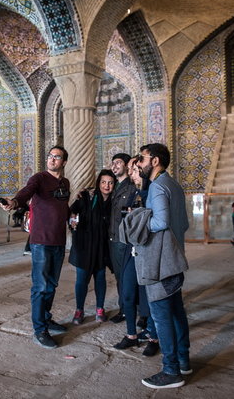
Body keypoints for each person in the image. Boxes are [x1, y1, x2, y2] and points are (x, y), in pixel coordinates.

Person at [2, 146, 70, 349]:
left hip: (58, 241)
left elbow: (62, 207)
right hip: (41, 241)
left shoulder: (65, 183)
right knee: (40, 287)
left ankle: (46, 318)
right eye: (50, 156)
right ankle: (40, 330)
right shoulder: (39, 178)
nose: (52, 159)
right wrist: (14, 202)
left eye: (56, 157)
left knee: (51, 285)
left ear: (63, 162)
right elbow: (26, 192)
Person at [136, 143, 191, 389]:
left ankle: (171, 371)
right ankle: (183, 360)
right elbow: (185, 224)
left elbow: (160, 222)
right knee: (177, 313)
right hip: (175, 258)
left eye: (142, 158)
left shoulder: (157, 186)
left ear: (155, 161)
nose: (139, 163)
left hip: (161, 261)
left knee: (161, 317)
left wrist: (138, 221)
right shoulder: (174, 185)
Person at [113, 157, 160, 357]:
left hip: (147, 252)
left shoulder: (151, 191)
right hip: (131, 250)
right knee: (128, 293)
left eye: (134, 170)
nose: (131, 174)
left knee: (148, 297)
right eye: (131, 170)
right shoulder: (133, 193)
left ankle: (154, 338)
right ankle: (131, 335)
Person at [69, 169, 115, 325]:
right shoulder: (88, 197)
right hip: (84, 245)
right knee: (82, 279)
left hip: (102, 247)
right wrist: (73, 221)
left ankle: (99, 308)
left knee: (100, 278)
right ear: (98, 183)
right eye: (103, 182)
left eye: (110, 182)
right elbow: (72, 211)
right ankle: (79, 309)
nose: (106, 186)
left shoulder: (114, 200)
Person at [108, 153, 135, 324]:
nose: (114, 166)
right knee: (119, 276)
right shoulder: (114, 187)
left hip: (124, 239)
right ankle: (124, 308)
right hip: (113, 237)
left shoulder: (131, 187)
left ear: (126, 165)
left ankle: (127, 310)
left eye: (118, 163)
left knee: (125, 277)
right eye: (113, 163)